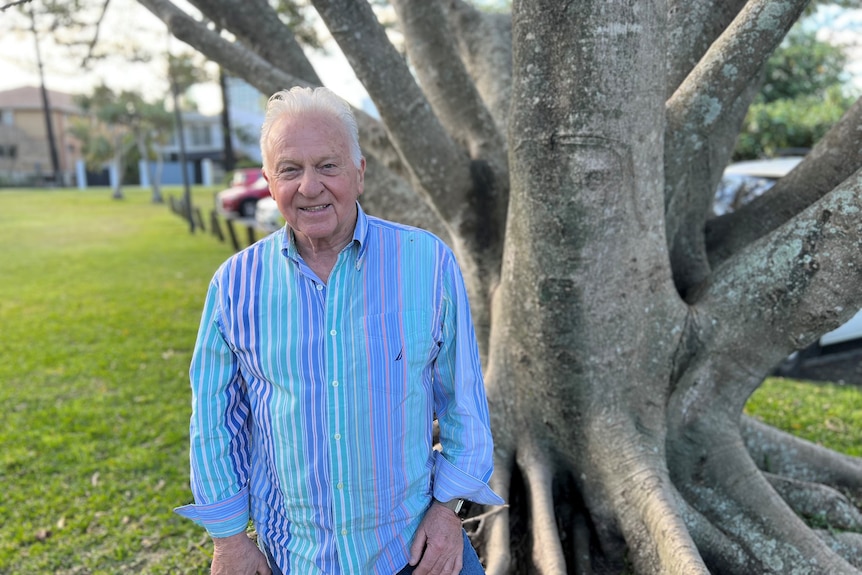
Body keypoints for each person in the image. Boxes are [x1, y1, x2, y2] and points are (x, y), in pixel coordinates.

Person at [176, 86, 504, 574]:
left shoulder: (426, 263)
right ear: (269, 182)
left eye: (328, 165)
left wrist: (446, 511)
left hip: (414, 550)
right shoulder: (234, 287)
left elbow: (462, 402)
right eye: (290, 169)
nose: (310, 186)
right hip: (294, 561)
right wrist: (229, 541)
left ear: (359, 172)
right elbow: (217, 424)